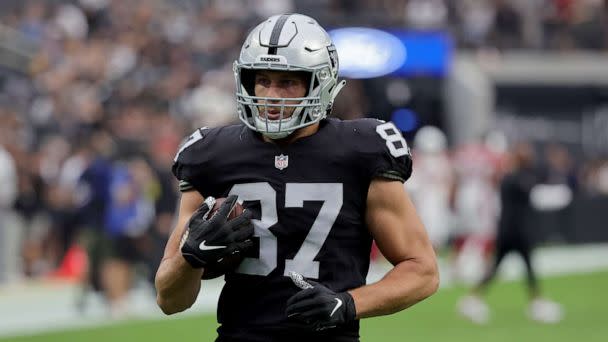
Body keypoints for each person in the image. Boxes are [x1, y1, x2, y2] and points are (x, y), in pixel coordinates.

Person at [155, 13, 439, 342]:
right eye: (262, 80)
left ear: (321, 83)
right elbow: (169, 299)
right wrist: (192, 256)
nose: (271, 95)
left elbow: (422, 270)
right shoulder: (212, 155)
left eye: (287, 82)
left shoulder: (361, 150)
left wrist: (348, 303)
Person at [457, 142, 563, 324]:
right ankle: (536, 303)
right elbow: (535, 195)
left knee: (503, 267)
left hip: (507, 231)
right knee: (524, 268)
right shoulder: (518, 179)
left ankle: (473, 299)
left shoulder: (510, 177)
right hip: (517, 232)